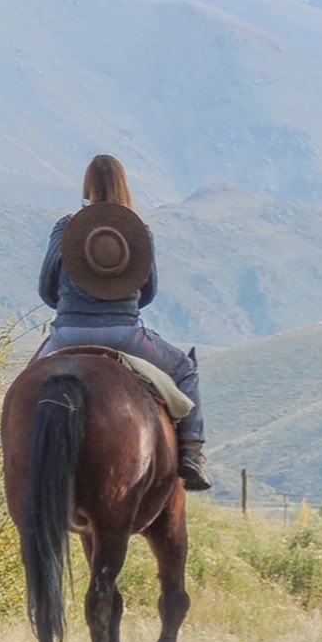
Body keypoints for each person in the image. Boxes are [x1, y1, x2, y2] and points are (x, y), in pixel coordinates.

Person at [37, 154, 212, 491]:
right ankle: (191, 452)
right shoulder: (137, 231)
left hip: (67, 335)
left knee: (24, 387)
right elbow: (149, 291)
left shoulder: (66, 227)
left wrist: (72, 307)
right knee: (185, 370)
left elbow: (46, 287)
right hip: (126, 334)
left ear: (87, 184)